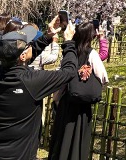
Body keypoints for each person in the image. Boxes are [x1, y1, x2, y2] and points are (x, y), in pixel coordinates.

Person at [0, 19, 77, 160]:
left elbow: (20, 61)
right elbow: (69, 72)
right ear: (23, 55)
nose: (31, 46)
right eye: (29, 45)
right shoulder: (31, 81)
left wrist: (47, 37)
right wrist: (68, 43)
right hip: (17, 155)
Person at [48, 21, 109, 160]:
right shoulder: (91, 53)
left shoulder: (70, 52)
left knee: (63, 134)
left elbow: (62, 72)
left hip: (67, 99)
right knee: (78, 136)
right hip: (82, 103)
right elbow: (103, 76)